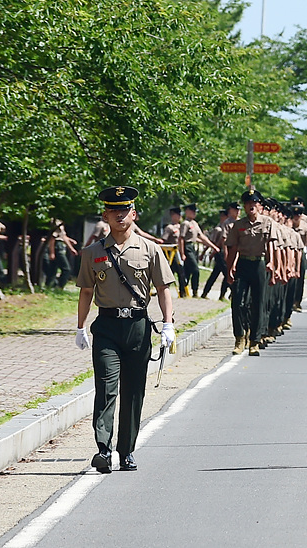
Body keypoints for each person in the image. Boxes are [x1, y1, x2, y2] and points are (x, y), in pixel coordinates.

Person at [74, 186, 176, 474]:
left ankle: (126, 450)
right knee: (106, 388)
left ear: (134, 214)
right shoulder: (92, 252)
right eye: (113, 210)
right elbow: (85, 292)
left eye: (125, 210)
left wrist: (168, 323)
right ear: (105, 215)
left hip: (138, 326)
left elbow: (163, 289)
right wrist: (80, 327)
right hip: (106, 326)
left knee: (133, 393)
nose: (119, 215)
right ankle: (103, 449)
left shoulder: (150, 249)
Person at [225, 190, 283, 356]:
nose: (251, 205)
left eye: (254, 202)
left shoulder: (267, 223)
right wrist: (229, 270)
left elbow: (271, 244)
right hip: (243, 264)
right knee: (238, 301)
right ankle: (239, 337)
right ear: (244, 206)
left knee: (258, 303)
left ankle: (254, 341)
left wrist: (272, 263)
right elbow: (233, 249)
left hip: (259, 264)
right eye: (248, 203)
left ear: (259, 205)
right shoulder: (238, 225)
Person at [178, 204, 219, 299]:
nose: (194, 213)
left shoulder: (194, 223)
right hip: (187, 248)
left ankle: (183, 291)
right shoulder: (185, 223)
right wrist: (182, 253)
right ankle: (194, 291)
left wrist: (213, 246)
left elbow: (201, 237)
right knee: (195, 270)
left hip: (193, 248)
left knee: (188, 271)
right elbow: (181, 239)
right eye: (192, 211)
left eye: (195, 211)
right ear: (187, 211)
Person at [201, 204, 235, 299]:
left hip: (223, 253)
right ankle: (230, 293)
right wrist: (208, 253)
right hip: (220, 254)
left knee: (216, 274)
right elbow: (214, 242)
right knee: (226, 274)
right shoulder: (219, 229)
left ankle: (213, 293)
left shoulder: (228, 226)